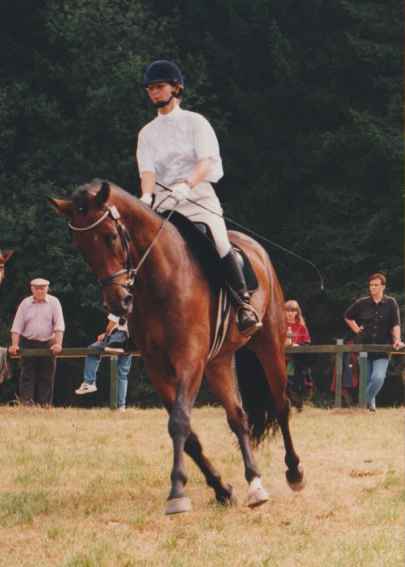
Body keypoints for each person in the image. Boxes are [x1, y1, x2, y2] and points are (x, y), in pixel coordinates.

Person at [136, 59, 262, 338]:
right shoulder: (146, 133)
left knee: (218, 240)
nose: (154, 92)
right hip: (163, 205)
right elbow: (147, 171)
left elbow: (205, 162)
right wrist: (145, 196)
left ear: (176, 88)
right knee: (139, 252)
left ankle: (243, 304)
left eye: (160, 86)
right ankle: (124, 322)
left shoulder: (196, 122)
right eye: (151, 88)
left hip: (198, 199)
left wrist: (187, 185)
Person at [344, 273, 404, 412]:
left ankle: (361, 404)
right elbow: (347, 316)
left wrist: (398, 339)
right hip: (364, 345)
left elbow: (395, 323)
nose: (373, 288)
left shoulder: (391, 302)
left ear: (383, 286)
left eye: (376, 285)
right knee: (366, 379)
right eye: (371, 285)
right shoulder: (362, 303)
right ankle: (371, 407)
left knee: (378, 377)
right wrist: (357, 329)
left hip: (383, 347)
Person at [9, 278, 65, 406]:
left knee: (47, 376)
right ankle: (26, 405)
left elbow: (59, 325)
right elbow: (17, 326)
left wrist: (58, 344)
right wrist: (14, 345)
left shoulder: (54, 302)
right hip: (28, 343)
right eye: (37, 288)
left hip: (48, 343)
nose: (40, 291)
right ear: (31, 289)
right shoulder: (25, 303)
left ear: (47, 289)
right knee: (27, 375)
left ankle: (44, 406)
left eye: (42, 288)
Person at [75, 314, 132, 411]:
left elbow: (110, 327)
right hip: (129, 341)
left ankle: (89, 382)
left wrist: (106, 334)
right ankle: (121, 406)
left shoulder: (118, 305)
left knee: (92, 349)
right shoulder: (139, 306)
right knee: (122, 374)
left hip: (117, 339)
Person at [284, 300, 313, 409]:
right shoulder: (280, 325)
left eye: (292, 311)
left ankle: (298, 406)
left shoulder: (301, 327)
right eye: (287, 311)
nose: (290, 313)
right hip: (282, 359)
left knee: (296, 383)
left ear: (297, 312)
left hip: (297, 361)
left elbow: (307, 345)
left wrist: (294, 345)